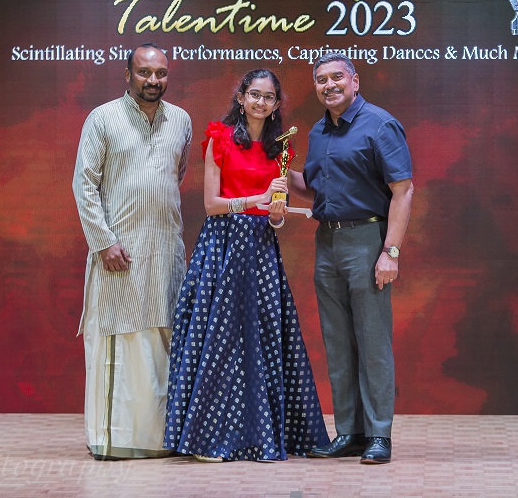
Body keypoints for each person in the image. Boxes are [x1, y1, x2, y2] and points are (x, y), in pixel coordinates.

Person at [164, 68, 330, 462]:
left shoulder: (278, 149)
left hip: (260, 249)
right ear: (241, 97)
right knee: (218, 343)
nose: (260, 102)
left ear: (276, 104)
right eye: (254, 94)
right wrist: (258, 199)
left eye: (268, 97)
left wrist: (276, 212)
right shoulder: (220, 138)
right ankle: (206, 440)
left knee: (262, 341)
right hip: (222, 247)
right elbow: (211, 205)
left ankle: (259, 436)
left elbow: (274, 214)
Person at [288, 52, 413, 465]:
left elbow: (403, 191)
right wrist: (276, 168)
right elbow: (314, 189)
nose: (329, 85)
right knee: (338, 342)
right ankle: (349, 433)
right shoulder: (318, 130)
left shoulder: (380, 124)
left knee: (372, 342)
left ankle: (379, 435)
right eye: (321, 80)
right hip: (327, 242)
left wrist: (390, 252)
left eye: (337, 77)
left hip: (367, 241)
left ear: (355, 81)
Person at [73, 42, 192, 461]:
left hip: (165, 254)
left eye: (160, 73)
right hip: (118, 258)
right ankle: (114, 441)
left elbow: (175, 175)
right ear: (128, 75)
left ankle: (160, 440)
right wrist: (104, 241)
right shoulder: (102, 118)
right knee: (121, 343)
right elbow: (84, 185)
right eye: (144, 72)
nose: (153, 81)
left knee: (162, 345)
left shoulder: (181, 121)